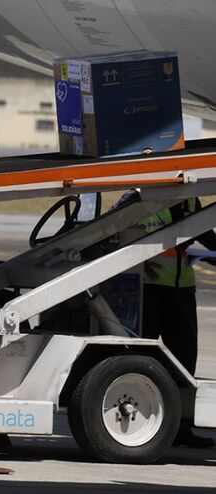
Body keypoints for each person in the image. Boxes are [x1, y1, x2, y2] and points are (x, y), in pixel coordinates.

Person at [114, 189, 216, 448]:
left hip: (180, 289)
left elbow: (202, 232)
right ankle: (147, 420)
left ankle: (180, 427)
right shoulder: (137, 196)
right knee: (144, 359)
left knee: (183, 361)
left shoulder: (190, 197)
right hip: (147, 288)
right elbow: (114, 229)